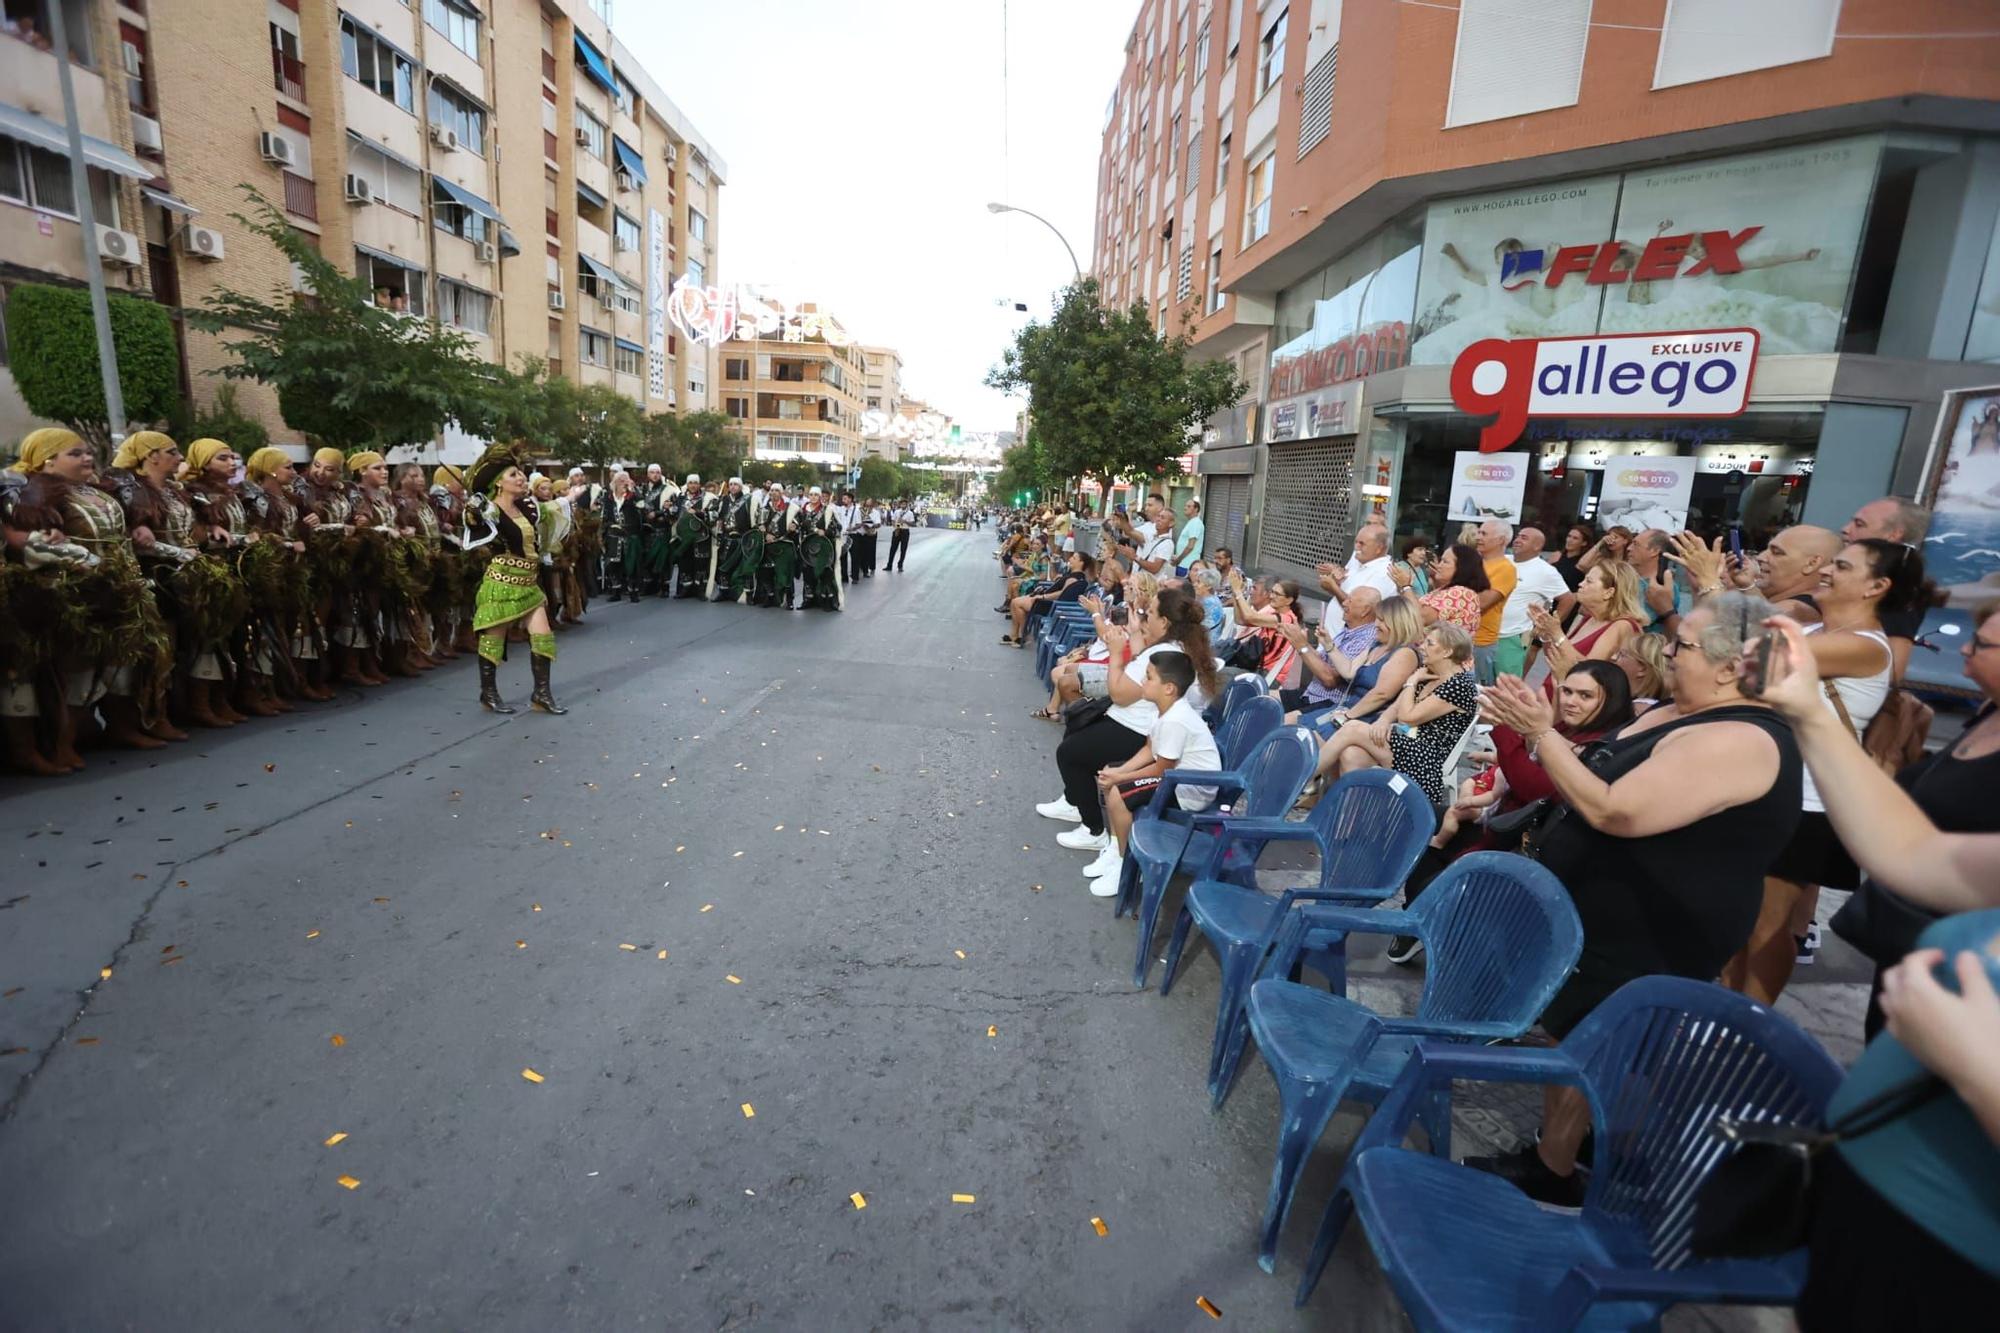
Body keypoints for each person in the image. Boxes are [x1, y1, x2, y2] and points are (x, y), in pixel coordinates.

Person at [1468, 591, 1801, 1205]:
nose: (1667, 652)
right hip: (1603, 911)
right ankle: (1586, 1144)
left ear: (1733, 666)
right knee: (1586, 1035)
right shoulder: (1675, 711)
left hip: (1654, 924)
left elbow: (1614, 809)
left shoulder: (1741, 737)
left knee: (1600, 1036)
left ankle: (1558, 1168)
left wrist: (1543, 735)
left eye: (1682, 646)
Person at [1745, 615, 2000, 1324]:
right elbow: (1916, 853)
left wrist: (1978, 1065)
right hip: (1877, 1218)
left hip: (1958, 1267)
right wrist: (1808, 709)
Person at [1724, 539, 1934, 1006]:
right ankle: (1725, 1005)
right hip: (1772, 791)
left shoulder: (1863, 646)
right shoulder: (1817, 628)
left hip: (1810, 801)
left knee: (1767, 925)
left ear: (1877, 586)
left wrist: (1717, 592)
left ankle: (1747, 1021)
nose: (1827, 572)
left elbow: (1745, 660)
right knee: (1741, 915)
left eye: (1841, 566)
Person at [1385, 658, 1635, 963]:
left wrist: (1508, 729)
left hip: (1525, 847)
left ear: (1611, 702)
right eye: (1567, 691)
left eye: (1585, 696)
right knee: (1430, 826)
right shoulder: (1562, 728)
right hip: (1502, 821)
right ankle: (1419, 921)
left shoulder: (1599, 746)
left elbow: (1535, 786)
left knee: (1438, 875)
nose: (1571, 701)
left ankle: (1435, 931)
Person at [5, 428, 172, 759]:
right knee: (79, 673)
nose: (87, 457)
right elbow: (33, 547)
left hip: (120, 586)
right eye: (75, 453)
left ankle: (122, 728)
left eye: (86, 452)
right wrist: (73, 557)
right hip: (77, 595)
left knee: (122, 663)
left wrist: (136, 529)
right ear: (47, 461)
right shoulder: (36, 497)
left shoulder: (93, 490)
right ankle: (62, 745)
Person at [1040, 585, 1220, 856]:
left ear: (1165, 622)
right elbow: (1137, 666)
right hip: (1137, 726)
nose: (1144, 618)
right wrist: (1136, 634)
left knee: (1070, 752)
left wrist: (1115, 653)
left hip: (1134, 727)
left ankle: (1093, 830)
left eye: (1149, 615)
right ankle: (1075, 799)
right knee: (1077, 730)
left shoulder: (1170, 656)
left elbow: (1121, 694)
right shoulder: (1171, 646)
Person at [1086, 650, 1223, 894]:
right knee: (1112, 775)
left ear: (1169, 688)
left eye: (1148, 677)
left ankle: (1124, 866)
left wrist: (1121, 778)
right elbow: (1151, 749)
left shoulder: (1175, 720)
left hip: (1190, 788)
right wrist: (1119, 771)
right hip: (1174, 777)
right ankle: (1116, 846)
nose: (1142, 681)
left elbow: (1162, 769)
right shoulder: (1160, 709)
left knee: (1118, 793)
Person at [1307, 622, 1477, 806]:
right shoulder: (1430, 673)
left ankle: (1300, 781)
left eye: (1430, 643)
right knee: (1351, 753)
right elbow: (1397, 707)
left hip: (1427, 759)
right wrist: (1383, 721)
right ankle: (1350, 822)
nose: (1422, 647)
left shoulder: (1460, 686)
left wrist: (1411, 681)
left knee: (1352, 728)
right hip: (1405, 741)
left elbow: (1407, 717)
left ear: (1447, 652)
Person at [463, 444, 565, 715]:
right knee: (493, 641)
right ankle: (489, 692)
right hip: (502, 584)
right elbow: (473, 520)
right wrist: (473, 508)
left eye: (521, 473)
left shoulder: (528, 507)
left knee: (543, 637)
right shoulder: (491, 510)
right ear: (499, 484)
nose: (521, 478)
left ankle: (541, 694)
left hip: (529, 583)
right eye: (513, 475)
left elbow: (551, 513)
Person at [1284, 593, 1424, 737]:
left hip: (1364, 717)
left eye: (1381, 620)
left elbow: (1382, 694)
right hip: (1343, 709)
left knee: (1303, 739)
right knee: (1286, 725)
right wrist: (1329, 645)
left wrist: (1347, 716)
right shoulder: (1376, 645)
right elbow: (1349, 671)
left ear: (1397, 623)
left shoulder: (1405, 653)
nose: (1376, 624)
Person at [1840, 496, 1933, 681]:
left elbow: (1892, 673)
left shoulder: (1899, 590)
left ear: (1893, 535)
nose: (1845, 529)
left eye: (1859, 524)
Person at [1529, 559, 1644, 690]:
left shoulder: (1622, 625)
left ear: (1609, 592)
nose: (1580, 584)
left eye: (1588, 581)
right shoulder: (1589, 618)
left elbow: (1588, 670)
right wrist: (1547, 633)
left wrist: (1557, 633)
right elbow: (1556, 659)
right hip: (1556, 693)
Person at [1281, 586, 1379, 715]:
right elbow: (1322, 662)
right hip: (1310, 694)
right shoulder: (1349, 629)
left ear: (1365, 610)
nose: (1343, 603)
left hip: (1327, 704)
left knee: (1277, 723)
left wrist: (1301, 646)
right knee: (1260, 698)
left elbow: (1330, 679)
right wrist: (1302, 643)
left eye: (1350, 601)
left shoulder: (1366, 638)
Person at [1494, 525, 1571, 678]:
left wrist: (1548, 625)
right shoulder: (1502, 561)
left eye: (1524, 538)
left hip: (1513, 638)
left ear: (1537, 546)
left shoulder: (1546, 571)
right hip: (1485, 634)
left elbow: (1568, 599)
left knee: (1506, 688)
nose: (1517, 540)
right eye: (1518, 536)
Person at [1225, 570, 1301, 686]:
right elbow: (1240, 620)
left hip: (1269, 674)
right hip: (1257, 667)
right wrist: (1236, 593)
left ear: (1289, 600)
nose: (1271, 596)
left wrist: (1238, 591)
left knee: (1223, 674)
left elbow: (1250, 617)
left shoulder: (1286, 619)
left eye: (1277, 594)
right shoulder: (1273, 614)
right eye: (1272, 592)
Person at [1752, 524, 1842, 620]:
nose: (1760, 557)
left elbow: (1755, 624)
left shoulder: (1797, 610)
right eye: (1767, 549)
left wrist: (1746, 587)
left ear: (1811, 563)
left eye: (1777, 552)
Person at [1002, 549, 1090, 646]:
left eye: (1074, 558)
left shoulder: (1075, 578)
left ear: (1081, 563)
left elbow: (1060, 594)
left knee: (1017, 604)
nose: (1070, 559)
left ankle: (1023, 636)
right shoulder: (1070, 573)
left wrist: (1042, 596)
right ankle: (1014, 635)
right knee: (1014, 602)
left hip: (1050, 605)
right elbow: (1053, 579)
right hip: (1046, 599)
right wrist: (1052, 564)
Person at [1470, 519, 1518, 683]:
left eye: (1484, 534)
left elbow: (1481, 603)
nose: (1478, 537)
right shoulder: (1474, 563)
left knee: (1476, 697)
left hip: (1480, 642)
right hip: (1460, 637)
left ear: (1501, 540)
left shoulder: (1506, 569)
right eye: (1478, 532)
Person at [1405, 541, 1487, 634]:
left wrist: (1405, 587)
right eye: (1441, 561)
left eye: (1445, 562)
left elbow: (1420, 618)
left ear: (1462, 567)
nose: (1439, 566)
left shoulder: (1461, 593)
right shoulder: (1449, 589)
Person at [1318, 521, 1397, 610]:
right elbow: (1345, 590)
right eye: (1356, 542)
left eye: (1361, 543)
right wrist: (1335, 581)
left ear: (1379, 548)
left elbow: (1360, 609)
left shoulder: (1385, 573)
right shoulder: (1358, 560)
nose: (1356, 547)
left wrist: (1334, 588)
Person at [794, 486, 844, 610]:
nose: (813, 497)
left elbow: (838, 527)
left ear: (820, 496)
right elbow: (796, 523)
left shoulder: (828, 510)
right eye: (811, 494)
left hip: (823, 546)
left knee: (825, 573)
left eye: (816, 495)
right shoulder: (803, 510)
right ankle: (808, 600)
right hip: (807, 547)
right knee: (808, 573)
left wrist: (826, 532)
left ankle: (828, 601)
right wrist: (793, 525)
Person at [711, 477, 752, 600]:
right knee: (723, 565)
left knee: (741, 568)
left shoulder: (747, 501)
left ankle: (741, 594)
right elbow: (716, 515)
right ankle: (723, 591)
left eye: (736, 484)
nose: (733, 487)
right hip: (726, 537)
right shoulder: (724, 500)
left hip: (742, 538)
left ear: (740, 487)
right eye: (731, 484)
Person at [1551, 523, 1594, 590]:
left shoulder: (1583, 562)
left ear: (1584, 543)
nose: (1569, 540)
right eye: (1569, 536)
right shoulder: (1556, 555)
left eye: (1575, 538)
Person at [833, 490, 862, 584]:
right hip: (843, 535)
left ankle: (855, 577)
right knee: (842, 556)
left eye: (845, 498)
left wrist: (852, 528)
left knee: (855, 556)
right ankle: (843, 576)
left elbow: (859, 524)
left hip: (853, 535)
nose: (843, 500)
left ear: (850, 499)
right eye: (843, 498)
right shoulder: (841, 509)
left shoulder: (856, 510)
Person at [1172, 498, 1205, 576]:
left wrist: (1178, 560)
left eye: (1189, 506)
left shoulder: (1196, 523)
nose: (1185, 508)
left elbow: (1190, 546)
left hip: (1187, 565)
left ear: (1196, 509)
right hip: (1183, 564)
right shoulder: (1191, 522)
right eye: (1185, 506)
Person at [886, 496, 915, 571]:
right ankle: (889, 565)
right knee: (893, 548)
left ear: (907, 505)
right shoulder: (896, 512)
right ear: (900, 504)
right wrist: (896, 527)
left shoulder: (910, 513)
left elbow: (912, 523)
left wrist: (905, 521)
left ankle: (900, 565)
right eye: (902, 504)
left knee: (903, 549)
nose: (903, 505)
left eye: (905, 504)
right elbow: (893, 520)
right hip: (897, 530)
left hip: (905, 531)